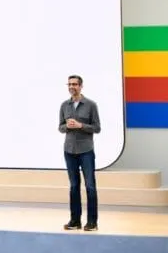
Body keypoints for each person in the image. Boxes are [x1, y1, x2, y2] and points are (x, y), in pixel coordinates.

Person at [58, 74, 101, 231]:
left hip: (86, 151)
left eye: (75, 84)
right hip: (69, 151)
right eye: (69, 84)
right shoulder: (64, 106)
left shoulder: (90, 105)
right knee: (74, 186)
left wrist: (80, 125)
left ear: (81, 86)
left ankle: (92, 222)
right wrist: (68, 126)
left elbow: (97, 128)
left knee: (90, 186)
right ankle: (75, 221)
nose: (71, 87)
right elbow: (60, 127)